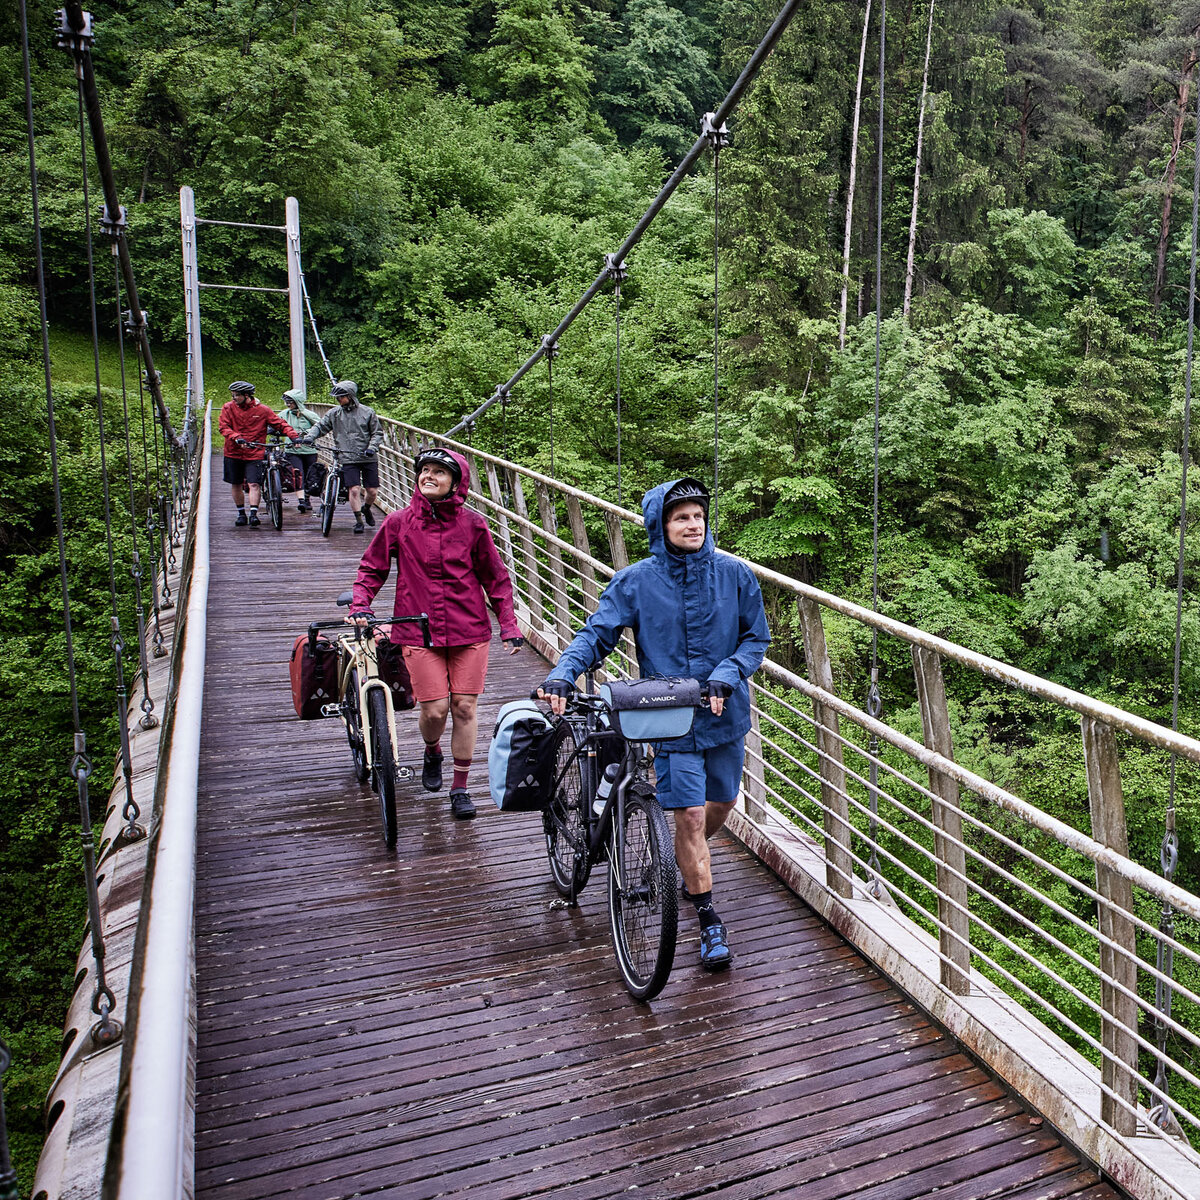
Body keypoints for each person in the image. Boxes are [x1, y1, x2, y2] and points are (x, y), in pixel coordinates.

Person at [538, 478, 769, 971]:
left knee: (722, 801)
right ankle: (707, 917)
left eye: (698, 516)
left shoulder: (735, 575)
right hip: (668, 717)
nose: (692, 524)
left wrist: (725, 677)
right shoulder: (637, 581)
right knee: (686, 816)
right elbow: (596, 634)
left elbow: (755, 640)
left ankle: (683, 859)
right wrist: (562, 673)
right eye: (681, 516)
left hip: (725, 713)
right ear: (658, 525)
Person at [349, 447, 524, 819]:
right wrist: (361, 604)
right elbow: (372, 568)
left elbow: (496, 578)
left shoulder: (473, 525)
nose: (428, 476)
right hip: (416, 627)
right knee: (434, 709)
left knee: (464, 707)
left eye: (438, 472)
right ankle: (432, 750)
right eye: (424, 470)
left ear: (456, 484)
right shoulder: (398, 522)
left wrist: (508, 624)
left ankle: (460, 788)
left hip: (469, 628)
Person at [303, 380, 383, 533]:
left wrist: (372, 448)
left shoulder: (368, 412)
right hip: (347, 456)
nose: (338, 400)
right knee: (353, 490)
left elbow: (377, 433)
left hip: (367, 456)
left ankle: (366, 508)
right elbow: (321, 426)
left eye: (341, 397)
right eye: (337, 397)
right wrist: (310, 436)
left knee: (372, 491)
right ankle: (358, 520)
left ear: (350, 396)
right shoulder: (334, 413)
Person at [217, 382, 299, 526]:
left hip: (254, 452)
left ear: (246, 396)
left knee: (254, 483)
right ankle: (241, 513)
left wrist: (293, 436)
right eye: (233, 395)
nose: (233, 398)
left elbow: (280, 424)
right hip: (233, 452)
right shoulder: (228, 408)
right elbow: (223, 427)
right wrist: (236, 437)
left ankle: (253, 514)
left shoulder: (263, 410)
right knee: (236, 483)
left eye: (237, 395)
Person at [276, 388, 320, 512]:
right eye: (286, 402)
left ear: (298, 402)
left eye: (290, 402)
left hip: (309, 450)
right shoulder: (284, 414)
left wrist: (307, 435)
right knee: (297, 474)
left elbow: (320, 427)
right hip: (292, 450)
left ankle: (307, 498)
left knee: (309, 475)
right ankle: (302, 501)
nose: (288, 404)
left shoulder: (309, 415)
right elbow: (275, 423)